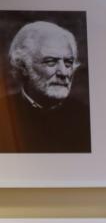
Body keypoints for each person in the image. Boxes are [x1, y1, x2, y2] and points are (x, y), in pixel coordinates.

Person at [0, 20, 91, 153]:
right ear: (24, 66)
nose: (64, 73)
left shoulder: (85, 116)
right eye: (51, 62)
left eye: (68, 63)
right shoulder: (3, 113)